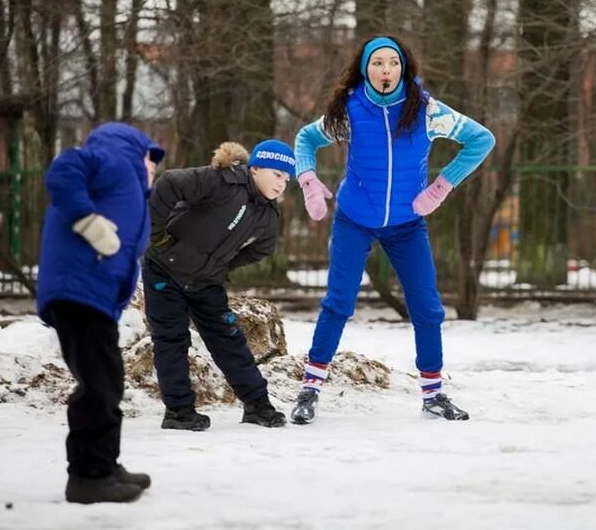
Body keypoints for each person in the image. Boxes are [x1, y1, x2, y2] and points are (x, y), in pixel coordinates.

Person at [289, 35, 496, 424]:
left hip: (407, 224)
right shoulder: (349, 110)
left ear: (404, 67)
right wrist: (308, 179)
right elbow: (306, 139)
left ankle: (433, 394)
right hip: (354, 219)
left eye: (393, 63)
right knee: (338, 303)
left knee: (428, 308)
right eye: (378, 63)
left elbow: (481, 139)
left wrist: (442, 186)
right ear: (365, 68)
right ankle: (309, 389)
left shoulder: (426, 110)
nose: (386, 70)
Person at [37, 122, 164, 503]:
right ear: (135, 150)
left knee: (107, 380)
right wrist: (87, 220)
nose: (153, 167)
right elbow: (63, 170)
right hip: (79, 290)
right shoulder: (111, 160)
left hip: (95, 298)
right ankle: (89, 476)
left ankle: (104, 465)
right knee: (100, 384)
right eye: (150, 158)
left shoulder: (131, 194)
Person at [143, 139, 293, 431]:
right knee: (171, 339)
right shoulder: (221, 181)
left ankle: (258, 406)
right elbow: (168, 183)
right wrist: (157, 237)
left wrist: (223, 265)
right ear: (256, 168)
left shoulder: (267, 215)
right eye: (277, 175)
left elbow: (263, 248)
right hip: (164, 270)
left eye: (287, 179)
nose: (282, 184)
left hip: (205, 281)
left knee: (229, 340)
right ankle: (179, 412)